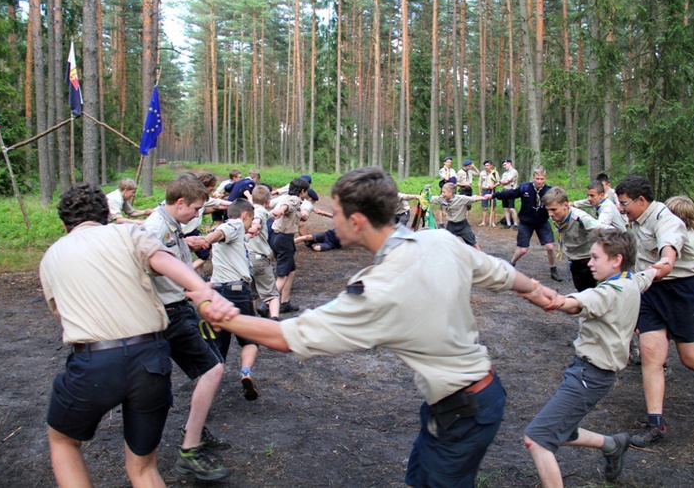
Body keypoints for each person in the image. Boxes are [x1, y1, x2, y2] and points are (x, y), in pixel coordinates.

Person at [206, 166, 559, 487]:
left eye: (338, 214)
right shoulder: (439, 240)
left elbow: (289, 336)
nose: (333, 222)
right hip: (471, 398)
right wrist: (540, 293)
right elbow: (501, 273)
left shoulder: (377, 288)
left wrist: (227, 317)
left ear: (357, 221)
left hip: (461, 412)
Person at [40, 183, 235, 488]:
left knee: (63, 442)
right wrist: (204, 291)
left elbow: (64, 317)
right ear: (107, 214)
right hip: (151, 359)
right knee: (144, 468)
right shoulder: (128, 233)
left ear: (64, 223)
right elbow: (165, 262)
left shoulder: (51, 257)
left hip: (93, 361)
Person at [520, 229, 659, 487]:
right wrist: (663, 265)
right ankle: (612, 444)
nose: (589, 263)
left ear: (616, 259)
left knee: (537, 438)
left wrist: (536, 293)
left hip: (589, 376)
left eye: (595, 257)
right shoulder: (632, 282)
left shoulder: (608, 292)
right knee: (563, 428)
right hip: (591, 374)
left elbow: (574, 303)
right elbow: (649, 275)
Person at [615, 176, 694, 447]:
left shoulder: (668, 221)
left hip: (683, 291)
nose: (622, 208)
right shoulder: (637, 219)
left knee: (691, 359)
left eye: (624, 204)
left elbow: (667, 257)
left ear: (641, 200)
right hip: (652, 292)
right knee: (651, 357)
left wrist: (660, 267)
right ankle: (656, 424)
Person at [142, 173, 233, 481]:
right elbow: (150, 265)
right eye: (195, 209)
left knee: (214, 364)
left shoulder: (172, 225)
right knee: (212, 369)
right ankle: (189, 450)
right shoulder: (154, 228)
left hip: (182, 308)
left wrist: (185, 243)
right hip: (170, 313)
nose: (197, 215)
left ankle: (195, 429)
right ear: (179, 203)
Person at [204, 199, 263, 401]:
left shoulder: (232, 230)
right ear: (245, 215)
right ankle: (245, 372)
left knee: (218, 345)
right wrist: (207, 240)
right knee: (250, 340)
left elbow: (224, 236)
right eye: (251, 219)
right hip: (237, 291)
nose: (250, 223)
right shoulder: (235, 224)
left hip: (217, 293)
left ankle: (207, 388)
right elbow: (222, 233)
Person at [491, 167, 562, 282]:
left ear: (545, 178)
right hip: (526, 222)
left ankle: (553, 269)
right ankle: (511, 265)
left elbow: (559, 201)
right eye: (537, 178)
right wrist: (494, 195)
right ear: (533, 177)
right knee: (523, 249)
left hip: (542, 222)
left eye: (542, 179)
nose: (539, 181)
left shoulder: (549, 191)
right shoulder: (525, 188)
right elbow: (511, 194)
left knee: (550, 247)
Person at [543, 187, 604, 292]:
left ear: (565, 205)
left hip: (589, 263)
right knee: (581, 293)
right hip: (575, 262)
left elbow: (608, 232)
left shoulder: (581, 219)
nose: (550, 214)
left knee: (594, 297)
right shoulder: (558, 217)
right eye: (548, 210)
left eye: (553, 209)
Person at [270, 177, 310, 313]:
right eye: (306, 192)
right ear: (303, 191)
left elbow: (296, 214)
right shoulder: (294, 199)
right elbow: (285, 208)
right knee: (283, 274)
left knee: (291, 271)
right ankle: (268, 303)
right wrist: (279, 211)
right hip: (283, 239)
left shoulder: (293, 200)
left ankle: (284, 302)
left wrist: (303, 214)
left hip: (281, 238)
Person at [248, 185, 281, 321]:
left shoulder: (248, 211)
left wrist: (275, 213)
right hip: (259, 259)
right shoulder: (259, 213)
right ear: (268, 201)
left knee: (251, 293)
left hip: (245, 259)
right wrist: (256, 225)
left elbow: (266, 214)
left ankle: (252, 321)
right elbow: (259, 218)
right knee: (272, 294)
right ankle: (274, 319)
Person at [430, 182, 490, 250]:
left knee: (473, 244)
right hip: (451, 226)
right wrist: (416, 196)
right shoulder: (441, 199)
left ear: (451, 192)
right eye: (442, 192)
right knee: (447, 244)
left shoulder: (461, 199)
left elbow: (474, 198)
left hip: (463, 225)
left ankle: (480, 259)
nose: (442, 194)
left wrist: (484, 198)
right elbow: (429, 198)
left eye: (444, 192)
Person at [478, 160, 500, 227]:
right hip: (484, 190)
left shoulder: (494, 173)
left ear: (491, 165)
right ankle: (483, 222)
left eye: (487, 165)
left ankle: (493, 222)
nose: (486, 167)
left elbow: (498, 182)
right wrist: (480, 192)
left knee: (493, 207)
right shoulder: (482, 173)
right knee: (484, 207)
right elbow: (479, 183)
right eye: (485, 165)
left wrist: (493, 186)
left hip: (492, 191)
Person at [498, 158, 519, 229]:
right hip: (504, 190)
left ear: (509, 163)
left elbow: (506, 181)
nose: (504, 166)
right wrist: (503, 182)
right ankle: (508, 223)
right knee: (505, 208)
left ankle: (516, 224)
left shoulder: (513, 171)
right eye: (503, 165)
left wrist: (503, 181)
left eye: (505, 164)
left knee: (511, 208)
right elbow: (502, 183)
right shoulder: (505, 173)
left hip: (511, 191)